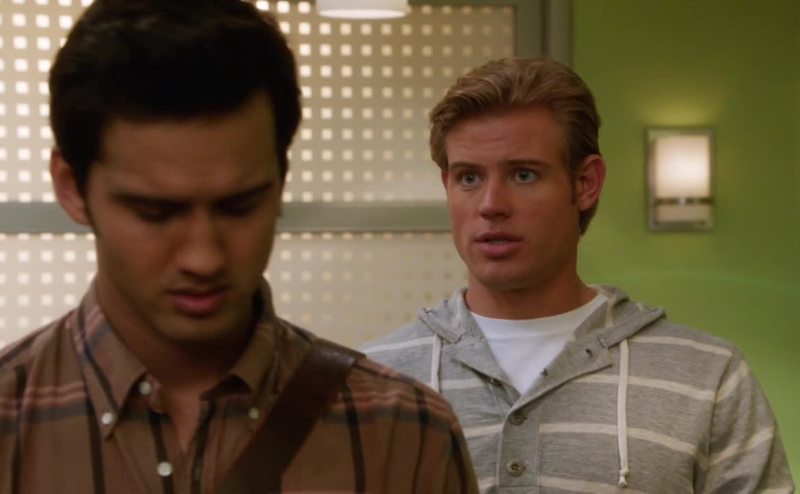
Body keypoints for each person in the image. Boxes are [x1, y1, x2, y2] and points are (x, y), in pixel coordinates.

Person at [0, 1, 478, 492]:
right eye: (155, 213)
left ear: (282, 180)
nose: (203, 258)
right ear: (71, 187)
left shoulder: (405, 435)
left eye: (239, 206)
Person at [365, 57, 795, 493]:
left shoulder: (707, 377)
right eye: (469, 177)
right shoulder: (374, 382)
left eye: (523, 174)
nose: (491, 204)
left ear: (586, 183)